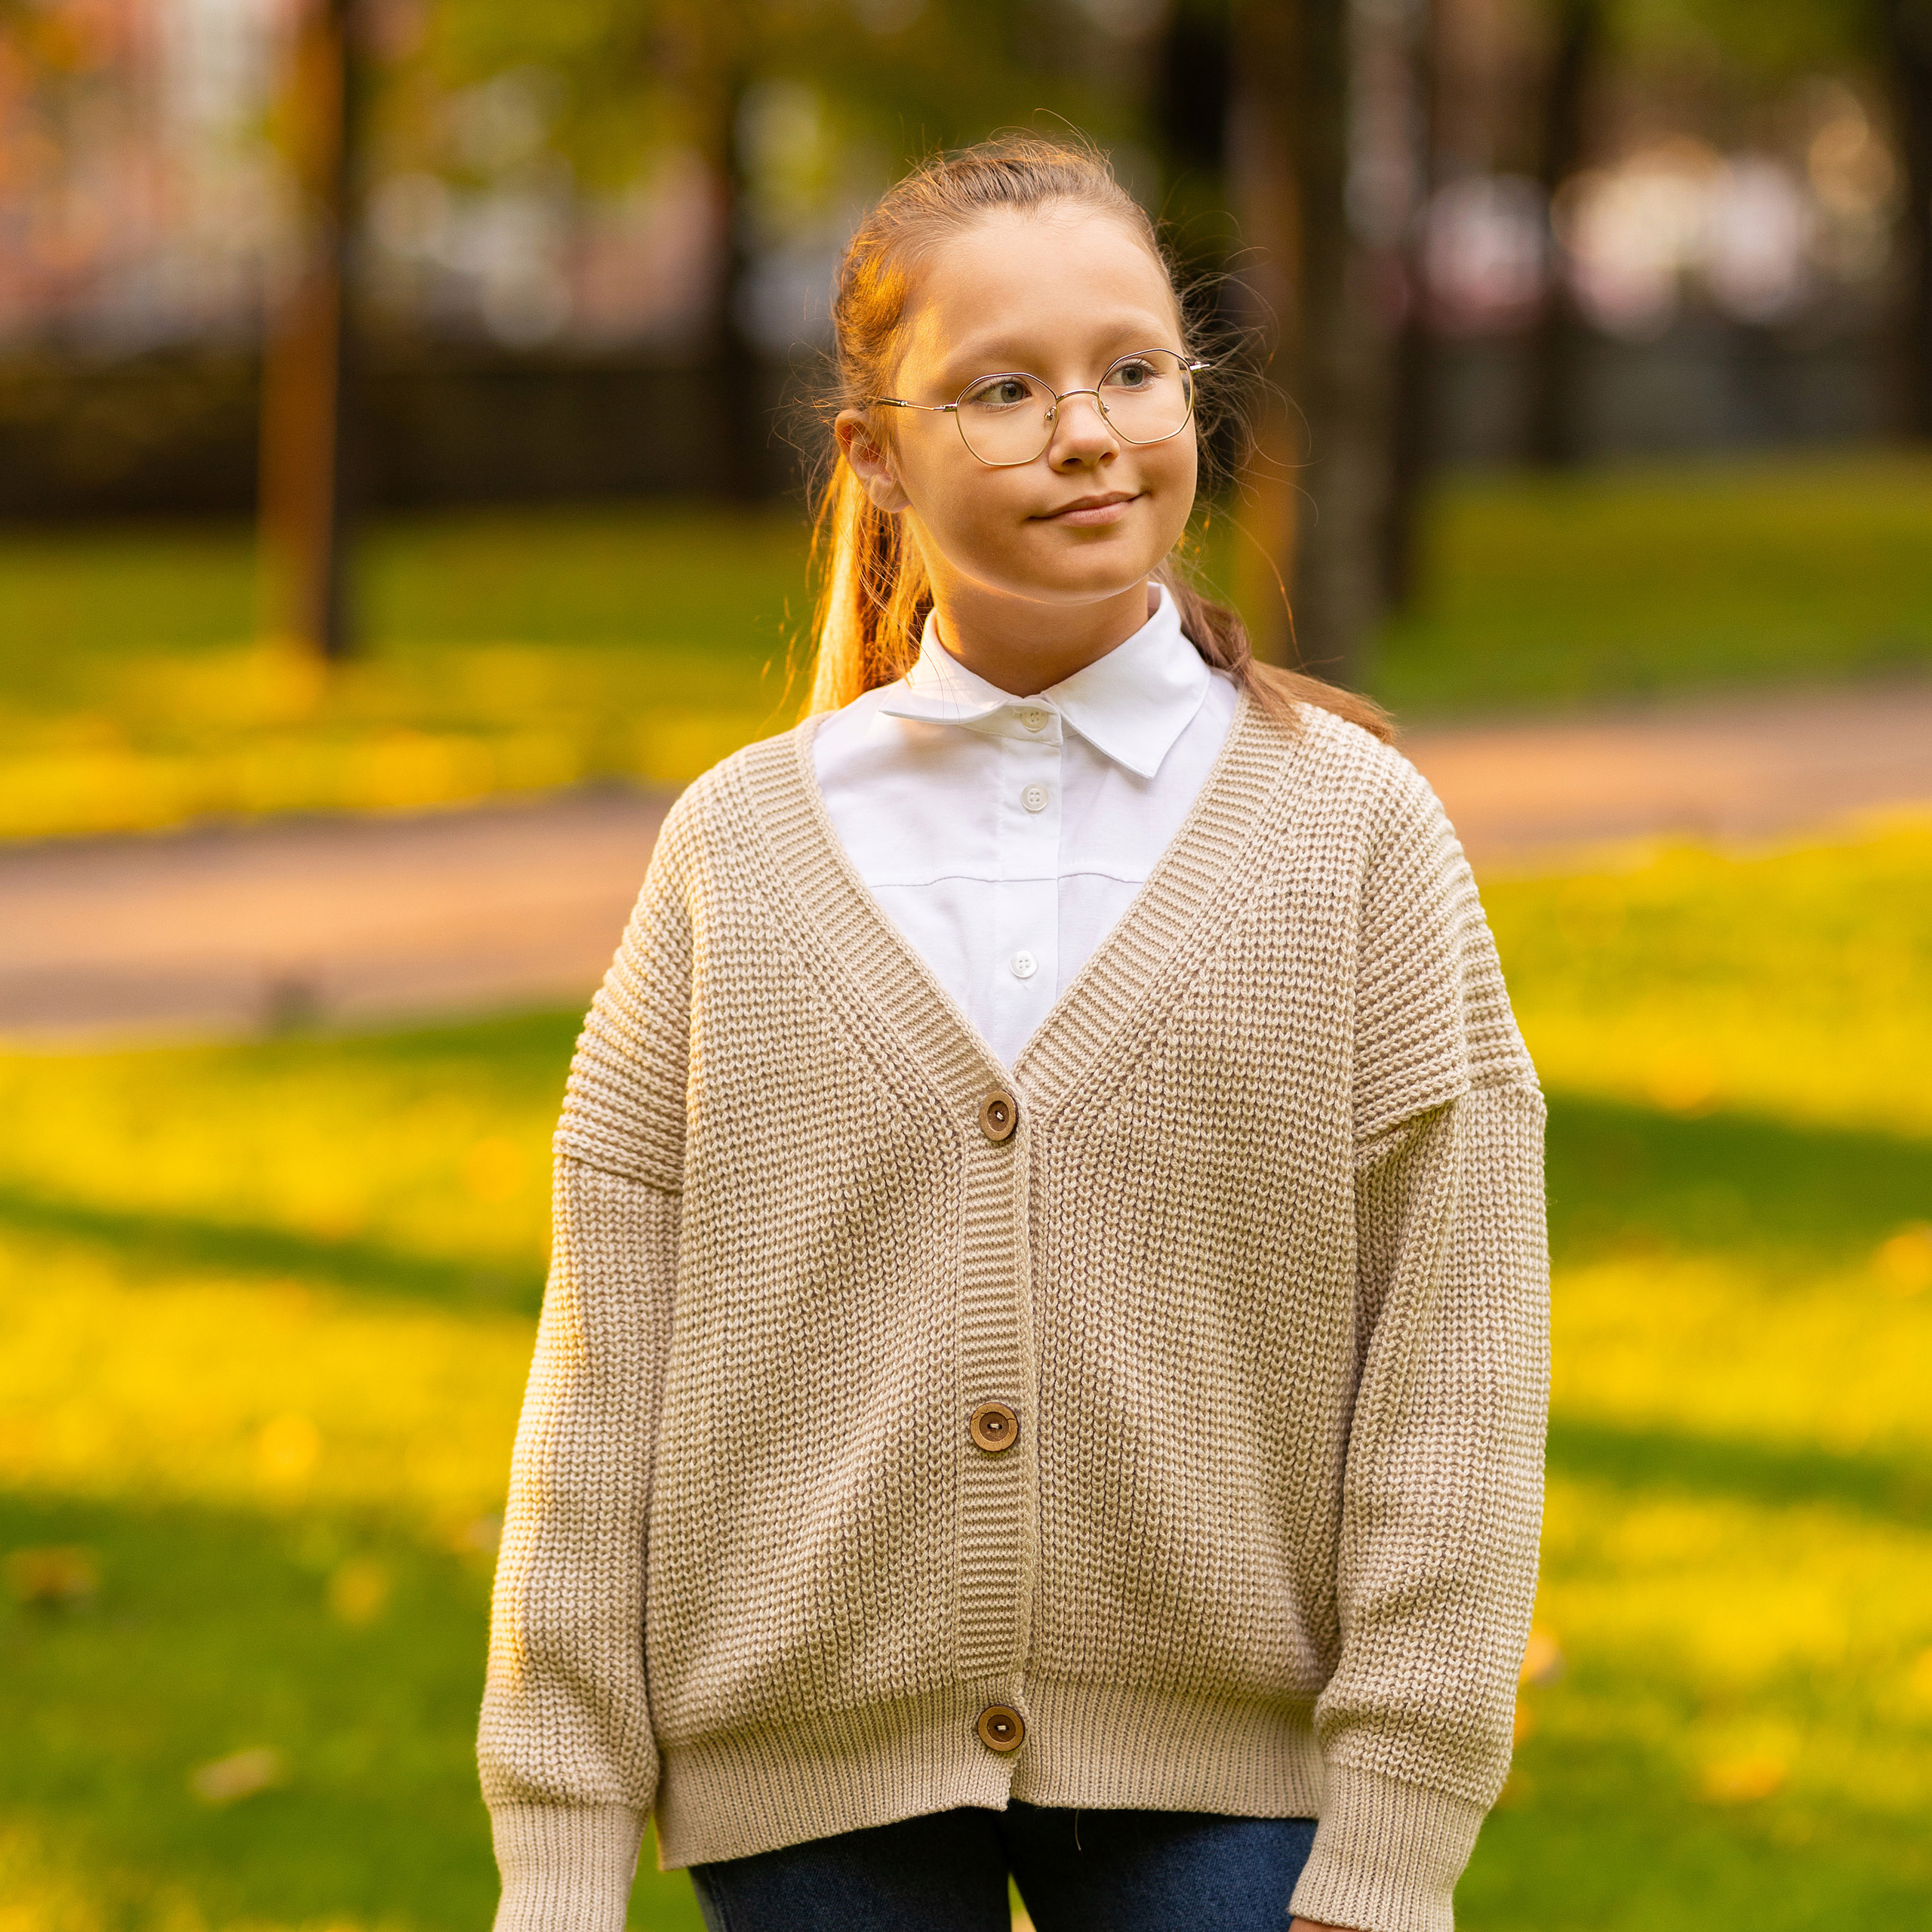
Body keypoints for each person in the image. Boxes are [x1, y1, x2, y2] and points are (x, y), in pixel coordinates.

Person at [478, 133, 1549, 1932]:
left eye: (1132, 369)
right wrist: (560, 1847)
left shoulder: (1355, 834)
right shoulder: (736, 851)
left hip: (1238, 1772)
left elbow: (1454, 1351)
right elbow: (604, 1372)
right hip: (799, 1769)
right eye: (1002, 388)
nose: (1085, 429)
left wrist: (1397, 1828)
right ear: (875, 457)